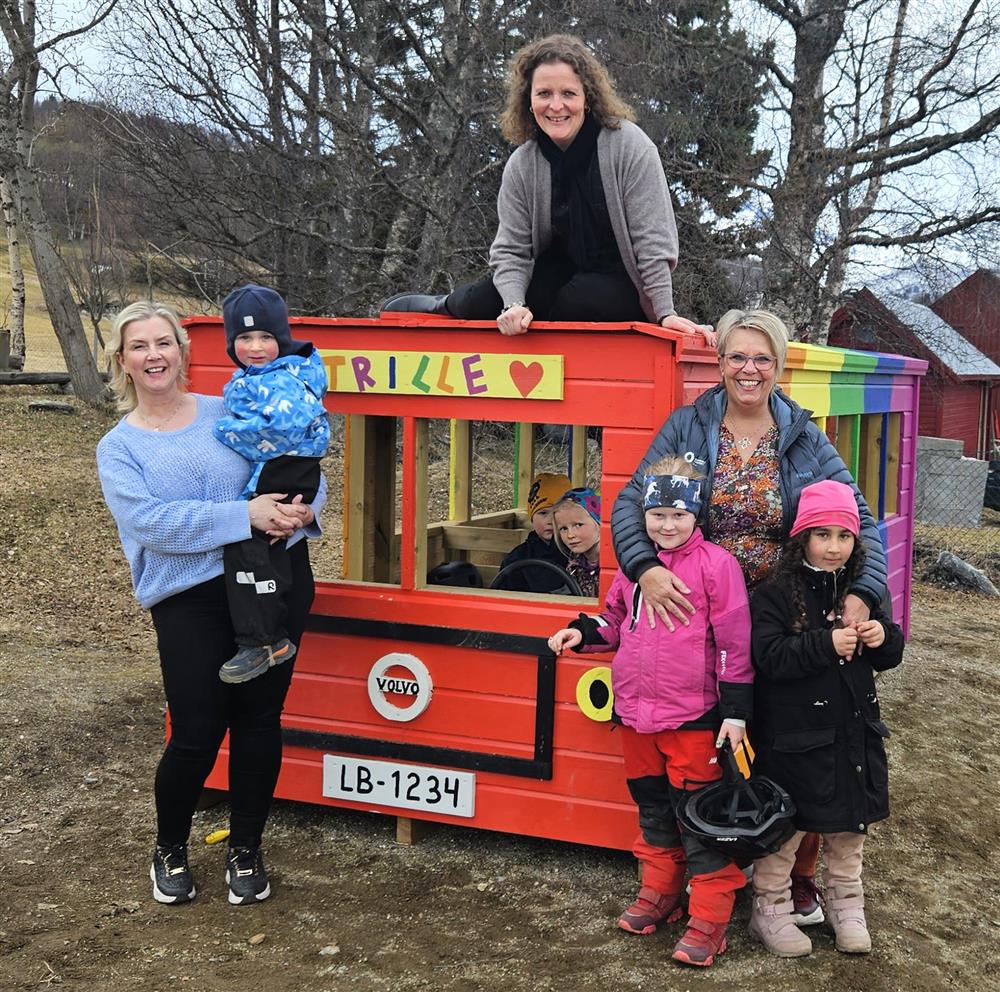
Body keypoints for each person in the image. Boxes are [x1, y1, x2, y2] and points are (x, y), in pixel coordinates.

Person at [611, 308, 889, 925]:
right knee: (707, 747)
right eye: (738, 355)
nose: (749, 368)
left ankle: (795, 876)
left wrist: (862, 595)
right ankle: (702, 867)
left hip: (787, 615)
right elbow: (632, 501)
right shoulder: (688, 427)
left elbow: (859, 518)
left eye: (762, 358)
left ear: (779, 366)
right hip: (700, 620)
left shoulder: (803, 437)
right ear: (720, 360)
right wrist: (644, 569)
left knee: (799, 744)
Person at [97, 301, 325, 908]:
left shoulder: (234, 407)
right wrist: (241, 514)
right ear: (123, 362)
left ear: (183, 351)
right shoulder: (119, 448)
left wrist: (304, 508)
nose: (154, 356)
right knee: (196, 732)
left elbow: (297, 457)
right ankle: (169, 847)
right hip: (189, 597)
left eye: (164, 343)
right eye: (139, 346)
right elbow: (151, 524)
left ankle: (246, 851)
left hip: (271, 582)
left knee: (258, 722)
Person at [547, 457, 752, 968]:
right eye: (656, 514)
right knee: (655, 813)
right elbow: (614, 618)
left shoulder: (717, 566)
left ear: (696, 515)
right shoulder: (637, 571)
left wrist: (735, 712)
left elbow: (735, 644)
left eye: (678, 515)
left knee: (704, 822)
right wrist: (584, 632)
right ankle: (661, 893)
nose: (666, 524)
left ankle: (709, 919)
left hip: (694, 720)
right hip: (637, 717)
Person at [382, 33, 715, 345]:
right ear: (529, 100)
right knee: (488, 300)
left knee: (581, 302)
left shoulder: (629, 147)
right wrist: (513, 304)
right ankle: (443, 305)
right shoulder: (523, 163)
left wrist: (665, 312)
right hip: (556, 269)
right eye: (544, 94)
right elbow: (511, 249)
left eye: (568, 93)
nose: (556, 106)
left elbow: (653, 240)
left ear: (587, 99)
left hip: (620, 277)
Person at [748, 480, 903, 957]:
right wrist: (823, 644)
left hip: (854, 731)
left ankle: (846, 902)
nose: (834, 546)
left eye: (845, 536)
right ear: (802, 538)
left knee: (849, 826)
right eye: (823, 534)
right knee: (787, 827)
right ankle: (769, 906)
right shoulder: (774, 592)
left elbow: (889, 655)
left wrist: (883, 637)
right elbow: (767, 657)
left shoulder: (861, 594)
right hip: (794, 738)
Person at [214, 284, 330, 684]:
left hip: (287, 464)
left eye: (266, 337)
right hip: (289, 465)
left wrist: (226, 430)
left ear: (282, 338)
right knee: (267, 543)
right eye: (245, 338)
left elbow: (279, 430)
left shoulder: (284, 378)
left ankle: (261, 640)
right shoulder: (265, 374)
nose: (256, 347)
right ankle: (269, 637)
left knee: (250, 544)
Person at [493, 471, 573, 593]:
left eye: (557, 513)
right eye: (543, 513)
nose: (550, 521)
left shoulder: (577, 553)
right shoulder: (517, 558)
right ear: (532, 517)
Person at [551, 487, 602, 597]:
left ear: (599, 523)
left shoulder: (615, 565)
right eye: (564, 529)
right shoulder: (574, 565)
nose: (570, 535)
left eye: (578, 525)